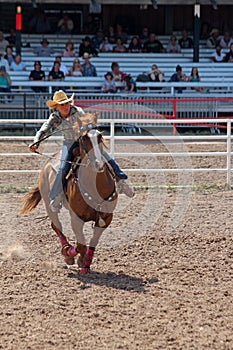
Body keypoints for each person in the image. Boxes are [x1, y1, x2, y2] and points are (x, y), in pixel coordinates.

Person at [29, 90, 133, 212]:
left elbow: (88, 124)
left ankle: (121, 180)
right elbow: (43, 130)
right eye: (62, 104)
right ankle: (56, 196)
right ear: (56, 106)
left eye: (67, 103)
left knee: (105, 156)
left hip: (83, 141)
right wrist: (36, 142)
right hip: (69, 143)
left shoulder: (78, 112)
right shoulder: (54, 118)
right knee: (63, 167)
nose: (65, 106)